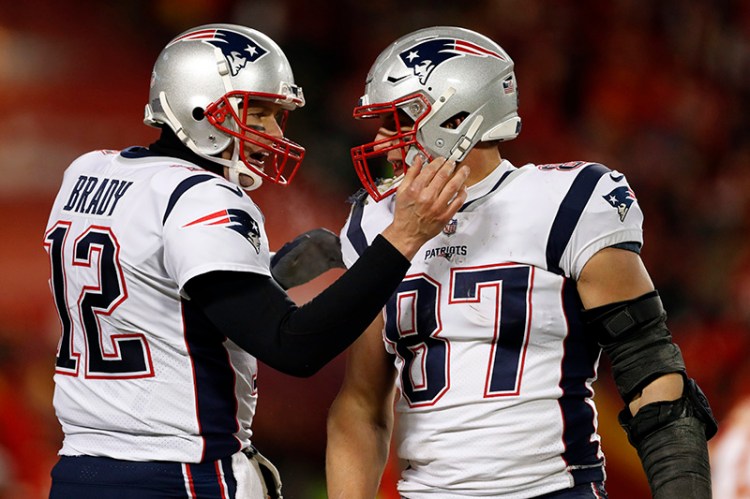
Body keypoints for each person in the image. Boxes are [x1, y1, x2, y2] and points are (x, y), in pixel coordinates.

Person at [42, 23, 468, 499]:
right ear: (198, 107)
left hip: (80, 470)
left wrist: (269, 272)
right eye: (255, 114)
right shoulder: (200, 196)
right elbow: (293, 346)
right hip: (181, 474)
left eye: (274, 116)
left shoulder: (87, 172)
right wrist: (402, 239)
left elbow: (155, 283)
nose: (269, 133)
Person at [326, 26, 717, 498]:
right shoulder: (373, 224)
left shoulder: (566, 203)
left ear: (456, 119)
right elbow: (361, 407)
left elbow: (652, 374)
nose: (382, 139)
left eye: (396, 120)